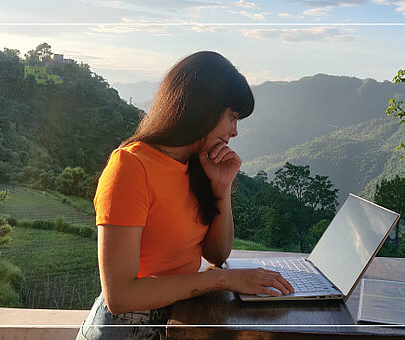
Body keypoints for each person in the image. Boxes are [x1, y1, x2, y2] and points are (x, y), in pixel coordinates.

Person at [77, 51, 294, 340]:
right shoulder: (130, 167)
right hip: (130, 328)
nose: (235, 131)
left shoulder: (194, 165)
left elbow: (217, 253)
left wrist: (222, 188)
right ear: (202, 107)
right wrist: (223, 280)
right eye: (232, 116)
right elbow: (120, 296)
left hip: (184, 318)